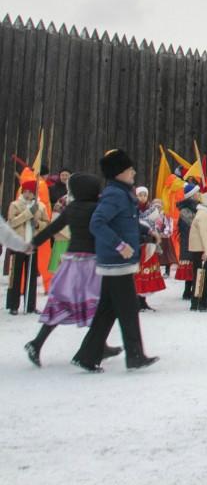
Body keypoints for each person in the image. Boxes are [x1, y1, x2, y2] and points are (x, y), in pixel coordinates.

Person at [71, 149, 157, 372]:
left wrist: (146, 233)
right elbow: (97, 223)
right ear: (119, 173)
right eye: (130, 170)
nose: (133, 173)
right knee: (128, 310)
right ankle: (135, 356)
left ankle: (87, 356)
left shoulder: (122, 193)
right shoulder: (115, 194)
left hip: (117, 263)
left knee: (107, 311)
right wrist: (120, 245)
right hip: (116, 262)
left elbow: (126, 223)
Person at [24, 174, 122, 366]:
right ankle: (98, 345)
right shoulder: (96, 208)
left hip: (71, 263)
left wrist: (34, 243)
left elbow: (52, 228)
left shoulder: (71, 208)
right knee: (99, 305)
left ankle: (37, 342)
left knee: (61, 303)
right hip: (92, 263)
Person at [6, 180, 48, 314]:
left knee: (32, 275)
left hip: (32, 243)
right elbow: (11, 223)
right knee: (16, 274)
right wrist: (28, 214)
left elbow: (46, 223)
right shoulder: (15, 204)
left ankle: (30, 305)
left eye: (30, 191)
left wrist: (38, 224)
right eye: (25, 191)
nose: (28, 194)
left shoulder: (40, 206)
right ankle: (13, 305)